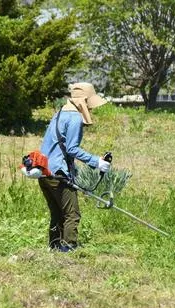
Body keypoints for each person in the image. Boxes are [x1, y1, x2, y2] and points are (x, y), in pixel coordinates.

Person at [38, 82, 110, 252]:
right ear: (84, 101)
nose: (91, 109)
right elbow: (71, 149)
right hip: (58, 174)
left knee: (57, 213)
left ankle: (54, 246)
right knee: (72, 214)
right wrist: (96, 161)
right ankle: (68, 249)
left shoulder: (59, 114)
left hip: (44, 172)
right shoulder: (75, 118)